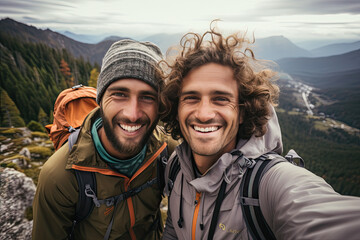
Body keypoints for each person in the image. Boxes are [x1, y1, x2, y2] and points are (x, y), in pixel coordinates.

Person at [160, 25, 360, 240]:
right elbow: (174, 229)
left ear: (243, 112)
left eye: (221, 99)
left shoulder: (269, 184)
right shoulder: (177, 166)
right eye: (191, 97)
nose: (204, 113)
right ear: (176, 107)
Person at [32, 39, 178, 240]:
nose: (133, 114)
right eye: (119, 94)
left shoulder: (167, 151)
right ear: (100, 100)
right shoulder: (60, 177)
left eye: (148, 97)